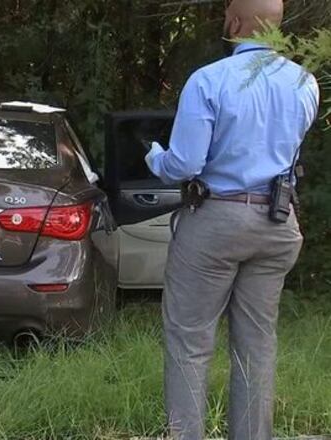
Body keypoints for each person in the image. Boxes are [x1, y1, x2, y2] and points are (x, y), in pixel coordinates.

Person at [144, 1, 320, 438]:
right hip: (277, 223)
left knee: (190, 342)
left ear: (236, 22)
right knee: (257, 346)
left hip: (215, 223)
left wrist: (154, 158)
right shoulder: (306, 83)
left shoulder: (209, 80)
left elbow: (186, 163)